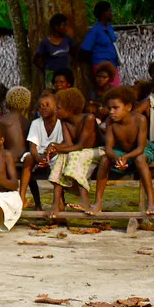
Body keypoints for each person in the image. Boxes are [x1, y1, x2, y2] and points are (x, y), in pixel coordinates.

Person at [89, 87, 154, 216]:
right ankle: (97, 202)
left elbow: (140, 148)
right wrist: (117, 158)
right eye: (109, 108)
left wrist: (125, 157)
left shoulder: (140, 120)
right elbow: (108, 148)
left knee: (140, 159)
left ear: (129, 107)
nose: (111, 112)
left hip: (140, 151)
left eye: (115, 108)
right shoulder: (110, 122)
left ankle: (151, 202)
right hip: (121, 152)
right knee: (104, 159)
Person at [47, 87, 101, 216]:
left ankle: (85, 200)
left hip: (97, 151)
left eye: (58, 108)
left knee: (75, 155)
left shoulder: (89, 119)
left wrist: (58, 148)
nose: (55, 110)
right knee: (61, 157)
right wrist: (54, 147)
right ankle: (56, 202)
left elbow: (80, 146)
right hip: (80, 152)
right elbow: (68, 144)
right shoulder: (64, 122)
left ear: (70, 109)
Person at [19, 90, 64, 209]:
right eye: (40, 106)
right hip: (38, 155)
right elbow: (32, 147)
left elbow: (61, 146)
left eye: (47, 105)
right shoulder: (36, 123)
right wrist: (39, 158)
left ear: (56, 107)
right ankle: (21, 196)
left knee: (59, 162)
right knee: (28, 158)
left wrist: (49, 156)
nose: (43, 108)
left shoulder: (61, 124)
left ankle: (59, 201)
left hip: (56, 155)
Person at [81, 0, 121, 85]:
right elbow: (85, 50)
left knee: (116, 90)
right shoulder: (95, 31)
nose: (111, 14)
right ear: (104, 13)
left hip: (113, 65)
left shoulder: (109, 28)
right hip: (101, 68)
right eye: (109, 11)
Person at [33, 14, 77, 83]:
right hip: (51, 76)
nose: (66, 28)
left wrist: (72, 67)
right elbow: (35, 60)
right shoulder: (45, 43)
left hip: (66, 76)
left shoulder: (68, 40)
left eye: (66, 25)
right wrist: (45, 71)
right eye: (64, 25)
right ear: (56, 27)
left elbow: (75, 54)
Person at [0, 86, 31, 162]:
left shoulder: (1, 121)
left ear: (7, 102)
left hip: (7, 161)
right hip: (24, 161)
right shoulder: (28, 123)